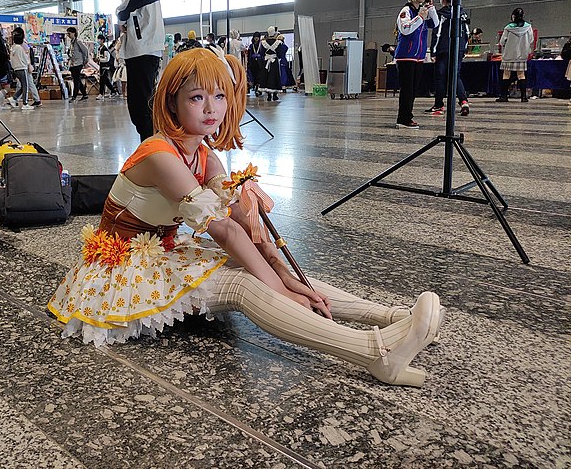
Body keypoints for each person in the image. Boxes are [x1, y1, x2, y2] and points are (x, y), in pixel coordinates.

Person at [48, 48, 444, 387]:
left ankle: (398, 318)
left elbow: (244, 223)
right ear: (172, 102)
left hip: (161, 252)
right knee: (244, 285)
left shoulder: (204, 155)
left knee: (260, 271)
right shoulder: (159, 155)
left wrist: (284, 272)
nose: (211, 109)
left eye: (220, 96)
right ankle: (374, 353)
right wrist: (281, 288)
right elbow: (223, 230)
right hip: (121, 271)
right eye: (197, 97)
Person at [113, 0, 164, 141]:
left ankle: (152, 150)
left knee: (142, 103)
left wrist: (121, 12)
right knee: (137, 103)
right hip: (138, 43)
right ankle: (149, 148)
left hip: (144, 44)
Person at [393, 0, 438, 129]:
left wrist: (430, 8)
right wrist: (419, 17)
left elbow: (436, 23)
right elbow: (406, 29)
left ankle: (407, 116)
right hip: (405, 55)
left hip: (418, 56)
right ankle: (404, 118)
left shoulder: (422, 12)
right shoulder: (406, 11)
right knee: (407, 89)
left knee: (413, 89)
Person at [426, 0, 470, 117]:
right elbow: (467, 32)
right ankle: (464, 101)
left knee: (440, 77)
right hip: (459, 48)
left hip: (443, 49)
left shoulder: (441, 14)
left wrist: (433, 51)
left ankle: (439, 105)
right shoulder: (462, 13)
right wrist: (464, 47)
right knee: (455, 75)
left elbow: (437, 33)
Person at [495, 8, 533, 103]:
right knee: (521, 75)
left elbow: (502, 41)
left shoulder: (508, 27)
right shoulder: (528, 27)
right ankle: (523, 97)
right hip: (522, 55)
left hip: (509, 55)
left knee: (506, 74)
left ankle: (504, 96)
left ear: (513, 16)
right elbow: (531, 40)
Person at [8, 27, 38, 110]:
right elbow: (25, 59)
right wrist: (29, 64)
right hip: (22, 68)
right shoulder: (20, 48)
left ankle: (14, 98)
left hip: (16, 69)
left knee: (23, 86)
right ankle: (25, 103)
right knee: (26, 86)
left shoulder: (13, 48)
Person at [259, 26, 283, 101]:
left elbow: (262, 53)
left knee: (266, 76)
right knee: (274, 76)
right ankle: (275, 95)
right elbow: (280, 54)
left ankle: (269, 95)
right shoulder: (278, 43)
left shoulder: (263, 43)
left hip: (266, 61)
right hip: (274, 61)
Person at [66, 26, 89, 102]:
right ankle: (84, 94)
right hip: (73, 63)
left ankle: (74, 96)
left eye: (69, 33)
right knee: (77, 79)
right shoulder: (71, 42)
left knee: (76, 80)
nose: (68, 35)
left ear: (74, 33)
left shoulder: (78, 41)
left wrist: (85, 60)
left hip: (78, 63)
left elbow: (85, 50)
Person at [94, 33, 119, 99]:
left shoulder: (105, 49)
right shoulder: (100, 48)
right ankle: (113, 91)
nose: (98, 40)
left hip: (105, 66)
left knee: (103, 80)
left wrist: (99, 59)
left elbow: (106, 59)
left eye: (99, 39)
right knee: (105, 80)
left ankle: (101, 94)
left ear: (102, 40)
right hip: (101, 66)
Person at [246, 31, 263, 96]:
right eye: (255, 37)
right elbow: (249, 55)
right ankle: (255, 87)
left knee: (259, 76)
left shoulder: (261, 45)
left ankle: (258, 88)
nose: (256, 39)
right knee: (254, 76)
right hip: (253, 63)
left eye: (257, 37)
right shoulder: (251, 45)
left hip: (260, 63)